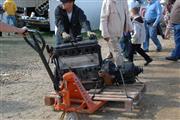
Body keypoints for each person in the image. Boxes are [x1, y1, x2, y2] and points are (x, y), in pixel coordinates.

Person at [100, 0, 132, 66]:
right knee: (117, 51)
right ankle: (120, 70)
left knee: (112, 52)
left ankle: (108, 68)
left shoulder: (124, 1)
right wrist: (105, 33)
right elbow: (103, 18)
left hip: (120, 32)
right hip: (111, 32)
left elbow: (127, 14)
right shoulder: (107, 1)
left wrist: (130, 27)